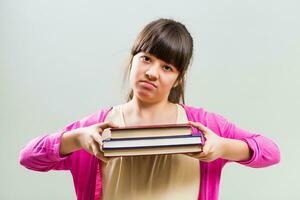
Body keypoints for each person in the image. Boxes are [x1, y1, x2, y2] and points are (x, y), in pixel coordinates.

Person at [19, 18, 280, 200]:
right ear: (132, 61)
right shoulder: (97, 127)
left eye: (167, 67)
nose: (152, 73)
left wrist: (223, 147)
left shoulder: (202, 125)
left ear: (178, 78)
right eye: (146, 59)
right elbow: (29, 157)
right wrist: (76, 139)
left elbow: (271, 152)